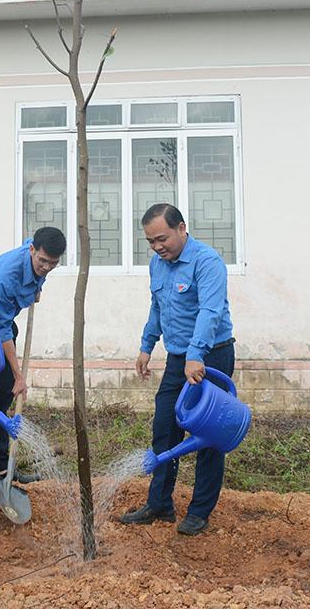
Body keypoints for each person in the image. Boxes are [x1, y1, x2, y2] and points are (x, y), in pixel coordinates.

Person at [119, 203, 235, 537]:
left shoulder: (207, 262)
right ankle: (159, 504)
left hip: (211, 357)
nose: (157, 246)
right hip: (178, 358)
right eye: (151, 241)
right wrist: (146, 345)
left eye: (162, 238)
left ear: (181, 228)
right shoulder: (158, 264)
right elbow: (157, 307)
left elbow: (210, 312)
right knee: (164, 427)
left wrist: (197, 355)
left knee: (208, 434)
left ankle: (199, 512)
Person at [0, 227, 67, 494]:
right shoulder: (8, 273)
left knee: (3, 398)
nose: (46, 267)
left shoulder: (41, 264)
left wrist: (36, 288)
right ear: (32, 249)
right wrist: (20, 376)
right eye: (42, 261)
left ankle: (0, 464)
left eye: (52, 264)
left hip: (3, 329)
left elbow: (10, 324)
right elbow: (4, 329)